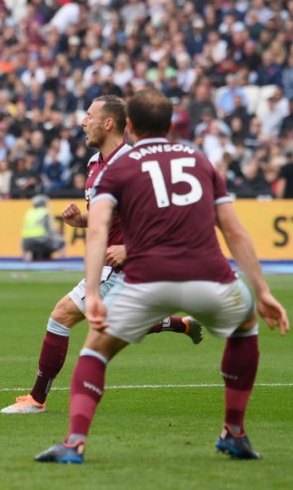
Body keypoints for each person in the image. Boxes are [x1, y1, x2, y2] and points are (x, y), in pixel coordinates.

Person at [35, 89, 289, 464]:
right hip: (211, 277)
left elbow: (98, 230)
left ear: (130, 126)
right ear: (171, 125)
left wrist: (92, 291)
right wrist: (263, 290)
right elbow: (234, 232)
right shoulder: (201, 161)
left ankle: (74, 443)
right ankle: (234, 431)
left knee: (95, 351)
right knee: (245, 326)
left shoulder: (117, 167)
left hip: (145, 279)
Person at [1, 95, 204, 415]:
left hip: (135, 265)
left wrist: (130, 248)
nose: (83, 121)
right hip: (114, 268)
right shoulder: (95, 165)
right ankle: (181, 324)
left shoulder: (139, 165)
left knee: (62, 315)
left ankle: (38, 400)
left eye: (89, 115)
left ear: (108, 123)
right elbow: (104, 218)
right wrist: (79, 220)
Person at [20, 194, 65, 262]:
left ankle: (25, 264)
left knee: (26, 245)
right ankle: (63, 264)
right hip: (42, 241)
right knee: (62, 241)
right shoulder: (45, 212)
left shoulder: (29, 212)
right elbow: (52, 230)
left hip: (27, 243)